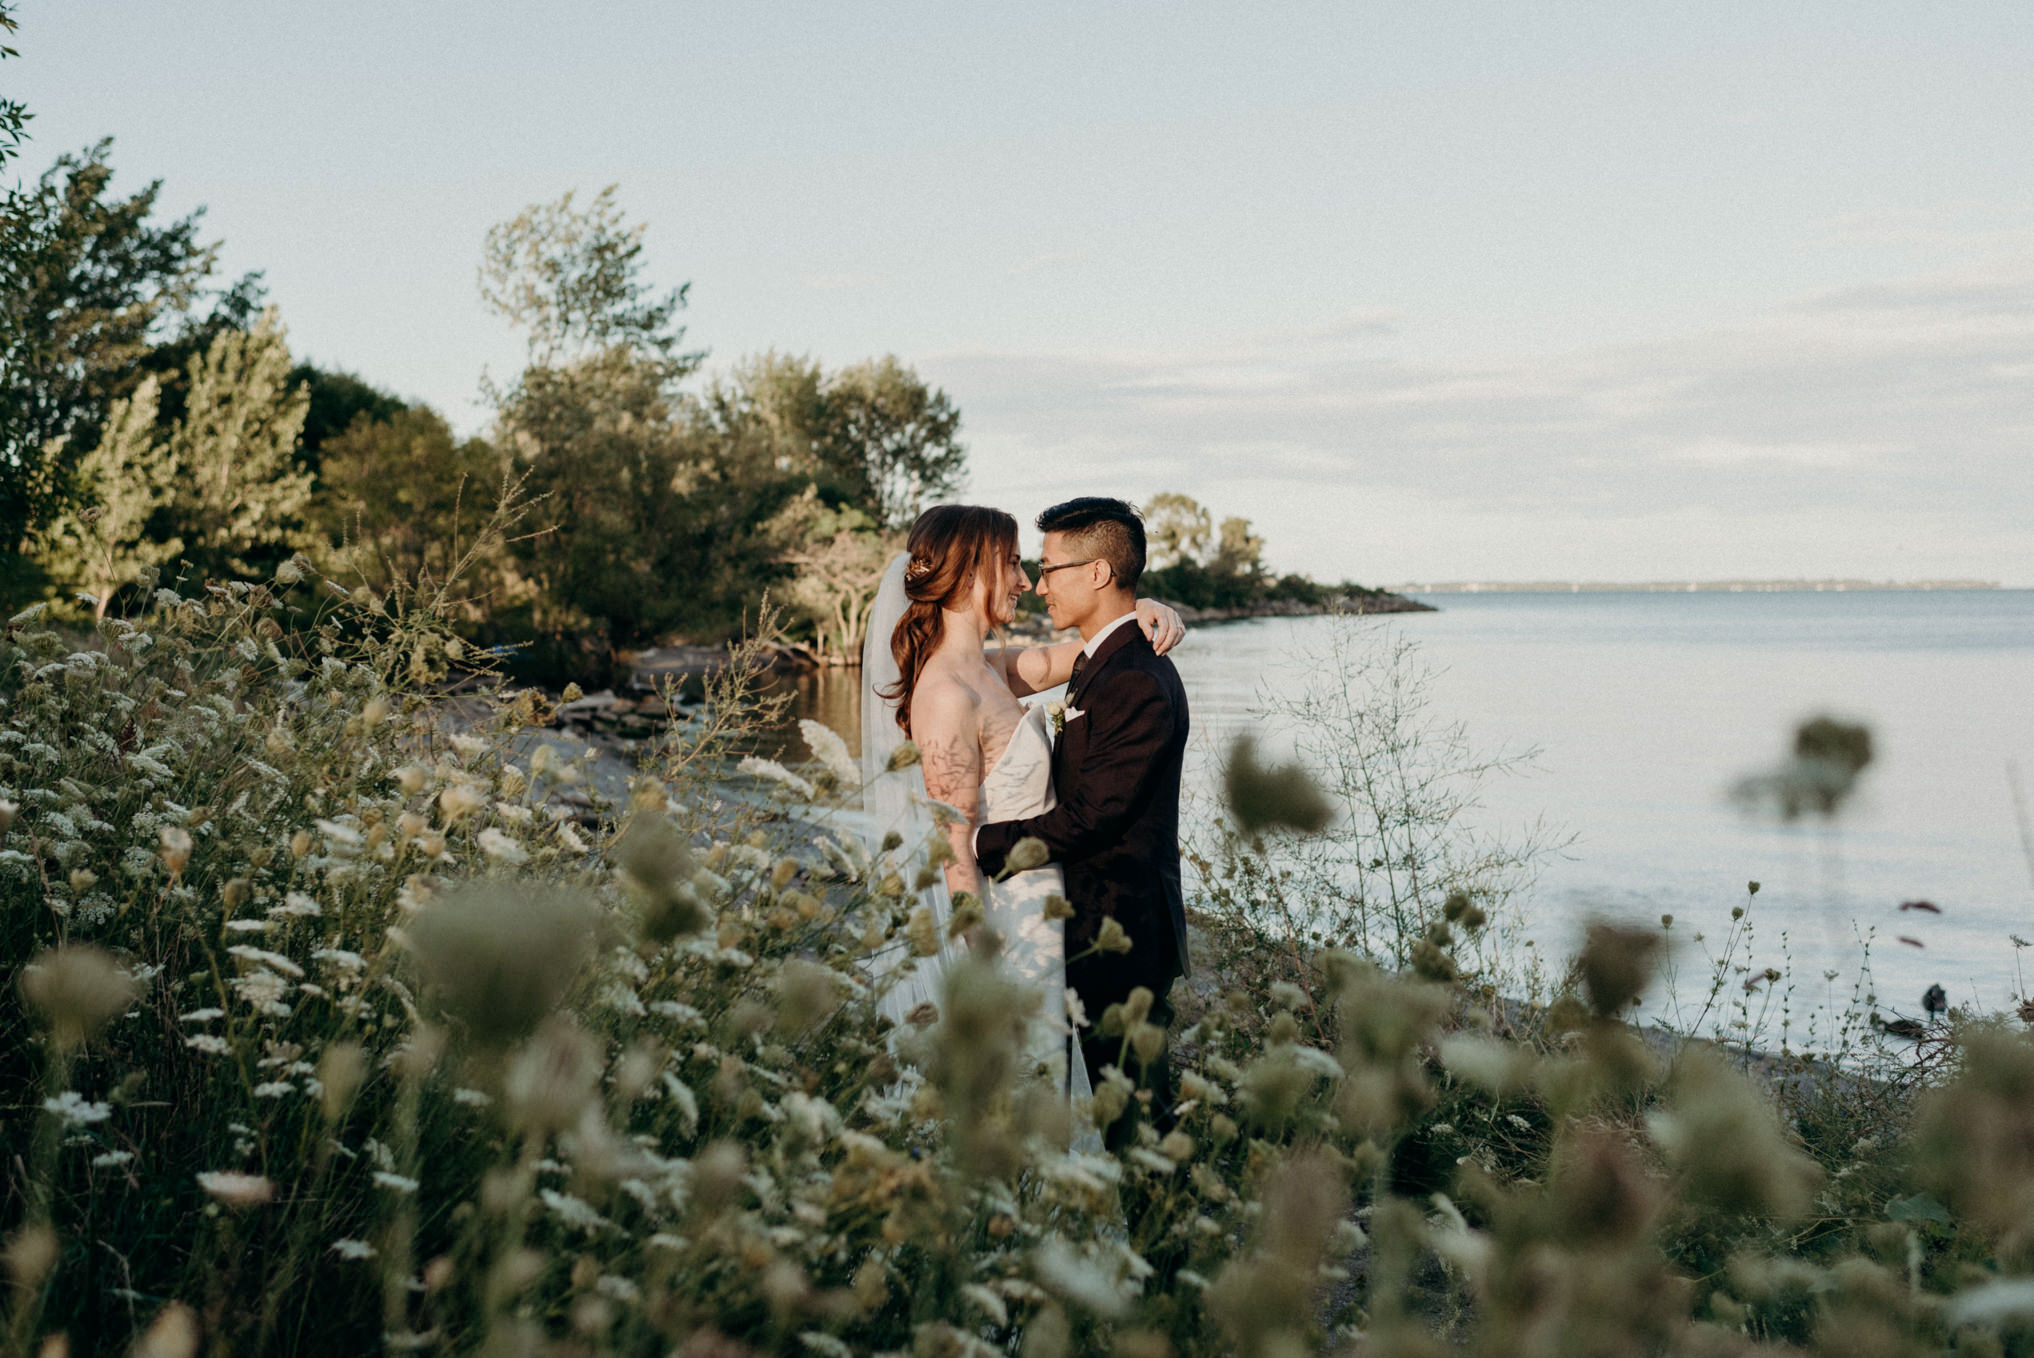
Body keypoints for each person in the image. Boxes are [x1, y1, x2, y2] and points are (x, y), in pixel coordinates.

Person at [858, 505, 1184, 1106]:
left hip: (1045, 907)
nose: (1024, 582)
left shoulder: (991, 670)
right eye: (1010, 564)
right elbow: (953, 841)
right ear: (973, 571)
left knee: (1052, 1094)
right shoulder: (947, 693)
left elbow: (1096, 652)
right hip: (1008, 921)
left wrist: (1144, 608)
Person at [973, 498, 1190, 1147]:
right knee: (1117, 1116)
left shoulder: (1136, 679)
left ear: (1097, 572)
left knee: (1136, 1126)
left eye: (1049, 569)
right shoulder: (1104, 663)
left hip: (1120, 933)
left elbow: (1094, 815)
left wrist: (982, 843)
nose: (1038, 585)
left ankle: (1163, 1249)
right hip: (1088, 924)